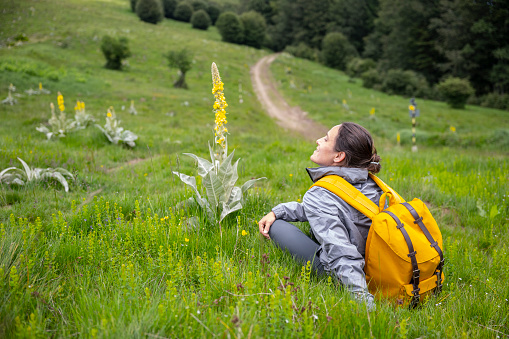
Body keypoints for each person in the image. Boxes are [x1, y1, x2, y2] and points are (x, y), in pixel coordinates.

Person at [258, 122, 382, 310]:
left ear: (339, 156)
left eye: (325, 138)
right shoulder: (372, 183)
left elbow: (341, 251)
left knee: (277, 227)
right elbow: (334, 209)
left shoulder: (320, 195)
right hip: (378, 264)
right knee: (280, 219)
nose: (317, 140)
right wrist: (280, 210)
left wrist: (364, 303)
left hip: (345, 271)